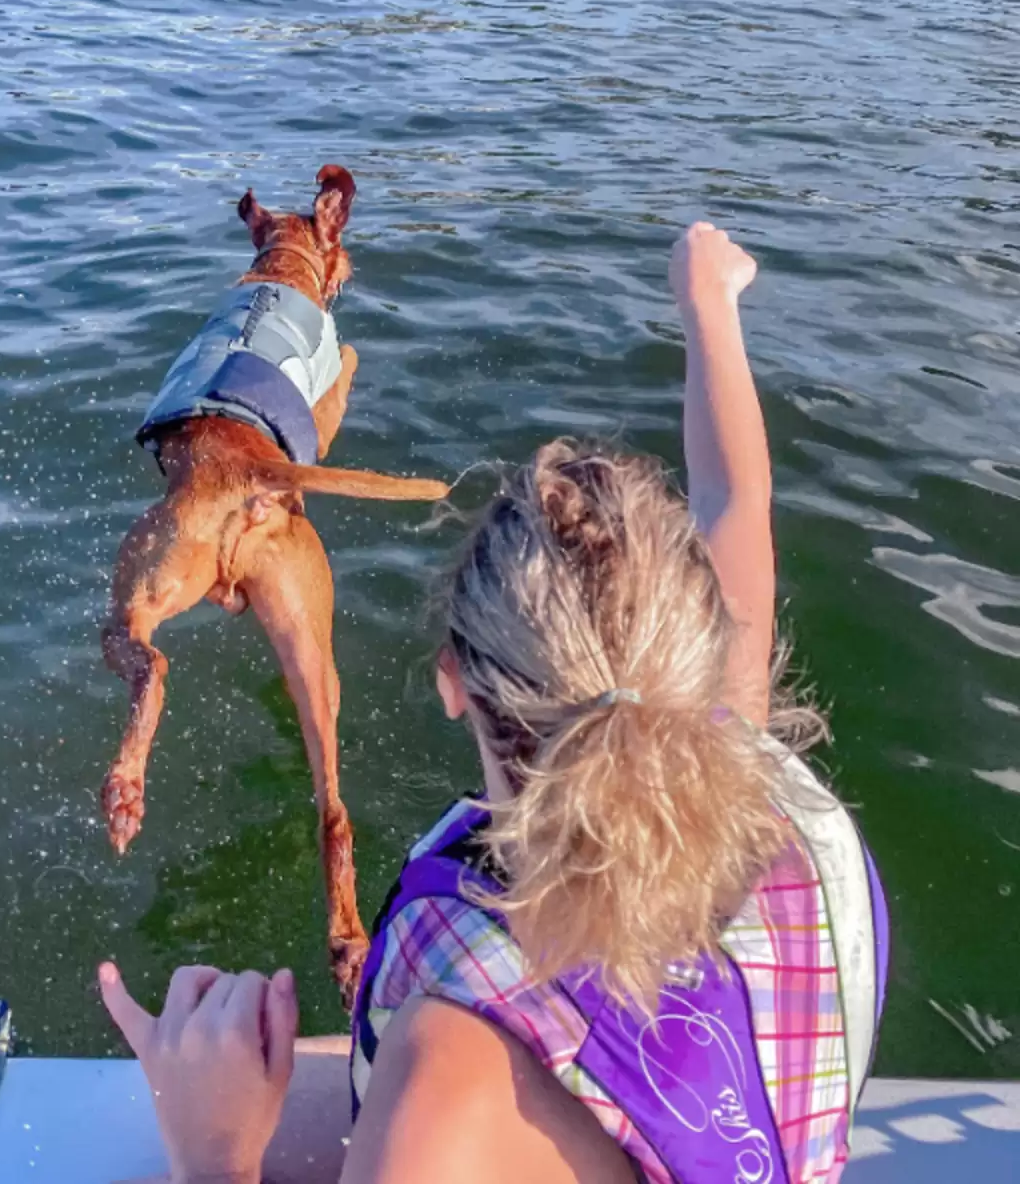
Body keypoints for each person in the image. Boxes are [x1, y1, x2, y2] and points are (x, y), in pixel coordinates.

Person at [97, 223, 889, 1184]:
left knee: (179, 1120)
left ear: (450, 681)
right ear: (698, 647)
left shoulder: (450, 1072)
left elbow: (732, 501)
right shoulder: (741, 753)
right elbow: (736, 501)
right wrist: (710, 307)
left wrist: (212, 1150)